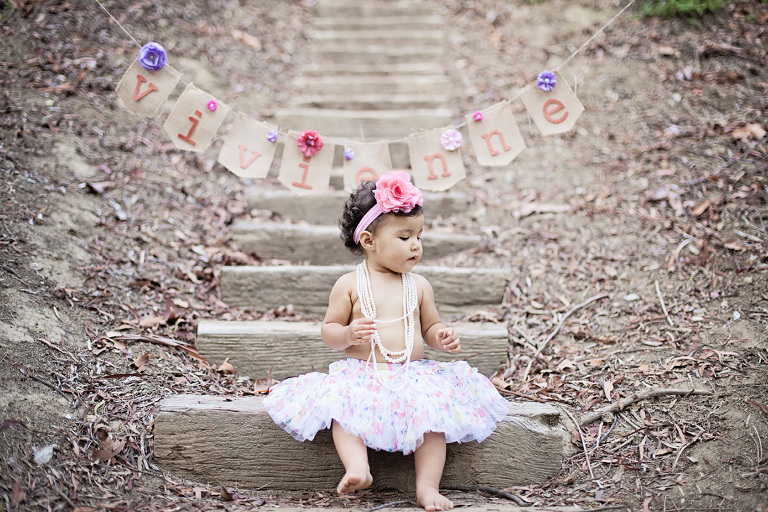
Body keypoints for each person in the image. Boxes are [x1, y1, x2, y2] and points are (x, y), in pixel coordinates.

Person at [263, 171, 509, 511]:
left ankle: (427, 486)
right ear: (368, 241)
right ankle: (358, 468)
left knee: (433, 421)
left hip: (412, 374)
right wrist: (347, 334)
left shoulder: (419, 285)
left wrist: (441, 336)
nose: (415, 245)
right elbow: (328, 330)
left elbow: (429, 326)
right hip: (362, 374)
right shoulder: (349, 284)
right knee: (343, 412)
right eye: (404, 237)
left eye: (419, 236)